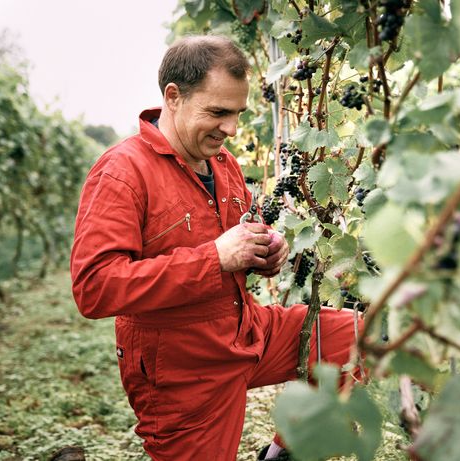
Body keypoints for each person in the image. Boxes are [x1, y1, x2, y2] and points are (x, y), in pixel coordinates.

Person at [70, 35, 362, 461]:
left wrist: (264, 251)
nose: (231, 129)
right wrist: (216, 258)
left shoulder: (222, 164)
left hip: (247, 331)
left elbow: (236, 241)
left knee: (357, 338)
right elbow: (94, 288)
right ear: (173, 97)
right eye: (218, 112)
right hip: (181, 369)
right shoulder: (122, 172)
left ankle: (281, 454)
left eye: (238, 113)